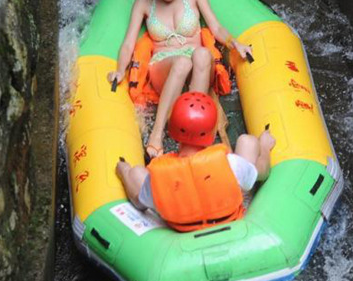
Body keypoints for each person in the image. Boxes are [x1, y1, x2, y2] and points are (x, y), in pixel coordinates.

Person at [107, 0, 252, 159]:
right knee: (182, 63)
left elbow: (216, 27)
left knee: (202, 54)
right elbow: (129, 43)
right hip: (164, 64)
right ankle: (156, 135)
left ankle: (197, 126)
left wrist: (235, 43)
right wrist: (120, 70)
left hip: (198, 61)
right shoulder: (143, 3)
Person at [116, 92, 275, 232]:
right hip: (229, 222)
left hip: (183, 231)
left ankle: (126, 169)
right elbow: (264, 171)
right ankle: (263, 145)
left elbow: (138, 202)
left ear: (172, 132)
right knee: (248, 142)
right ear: (212, 134)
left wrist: (124, 171)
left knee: (136, 172)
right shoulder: (230, 164)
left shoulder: (158, 177)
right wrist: (265, 148)